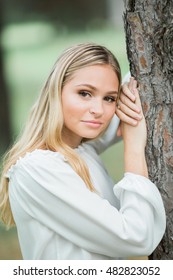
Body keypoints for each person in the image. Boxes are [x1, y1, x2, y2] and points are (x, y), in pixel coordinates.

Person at [0, 43, 165, 260]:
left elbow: (133, 87)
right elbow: (135, 237)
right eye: (84, 93)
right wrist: (134, 148)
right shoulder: (38, 169)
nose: (98, 110)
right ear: (56, 91)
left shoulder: (80, 148)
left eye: (109, 98)